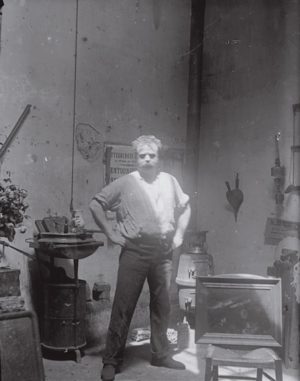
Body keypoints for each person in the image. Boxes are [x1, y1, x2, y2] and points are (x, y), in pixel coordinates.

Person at [89, 135, 191, 381]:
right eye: (142, 155)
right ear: (136, 159)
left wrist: (179, 234)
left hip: (163, 253)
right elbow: (95, 204)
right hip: (134, 251)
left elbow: (186, 206)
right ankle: (112, 360)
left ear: (159, 158)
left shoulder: (169, 181)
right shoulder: (125, 183)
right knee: (123, 305)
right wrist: (111, 233)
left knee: (162, 304)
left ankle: (161, 354)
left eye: (151, 155)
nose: (147, 159)